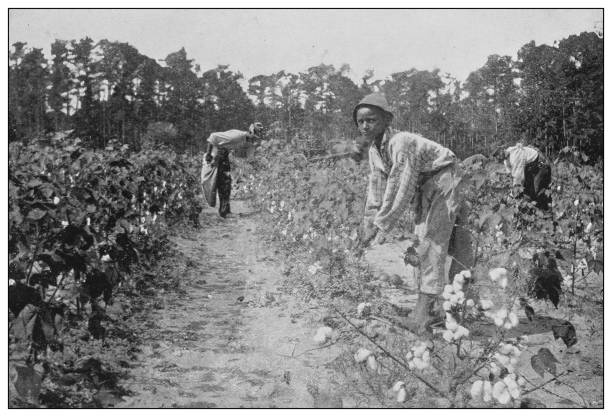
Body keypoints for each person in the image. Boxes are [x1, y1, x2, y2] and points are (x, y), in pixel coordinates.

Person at [355, 93, 473, 334]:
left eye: (372, 120)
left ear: (386, 120)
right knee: (433, 244)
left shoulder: (402, 142)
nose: (365, 126)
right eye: (361, 121)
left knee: (430, 243)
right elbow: (376, 190)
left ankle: (423, 316)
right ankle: (449, 310)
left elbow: (400, 186)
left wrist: (380, 225)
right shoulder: (375, 151)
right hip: (430, 185)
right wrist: (367, 223)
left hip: (445, 180)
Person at [203, 123, 264, 218]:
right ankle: (224, 212)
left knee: (226, 184)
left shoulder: (245, 141)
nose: (254, 140)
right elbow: (213, 136)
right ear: (250, 133)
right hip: (215, 156)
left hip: (223, 157)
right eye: (254, 137)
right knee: (222, 184)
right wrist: (208, 154)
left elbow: (247, 157)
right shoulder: (237, 136)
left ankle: (225, 211)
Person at [502, 143, 552, 210]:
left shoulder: (515, 157)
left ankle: (545, 209)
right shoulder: (506, 159)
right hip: (531, 166)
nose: (498, 158)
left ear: (504, 152)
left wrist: (512, 195)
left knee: (535, 190)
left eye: (499, 155)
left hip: (541, 164)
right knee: (527, 191)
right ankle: (533, 208)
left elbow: (519, 178)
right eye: (496, 157)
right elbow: (510, 175)